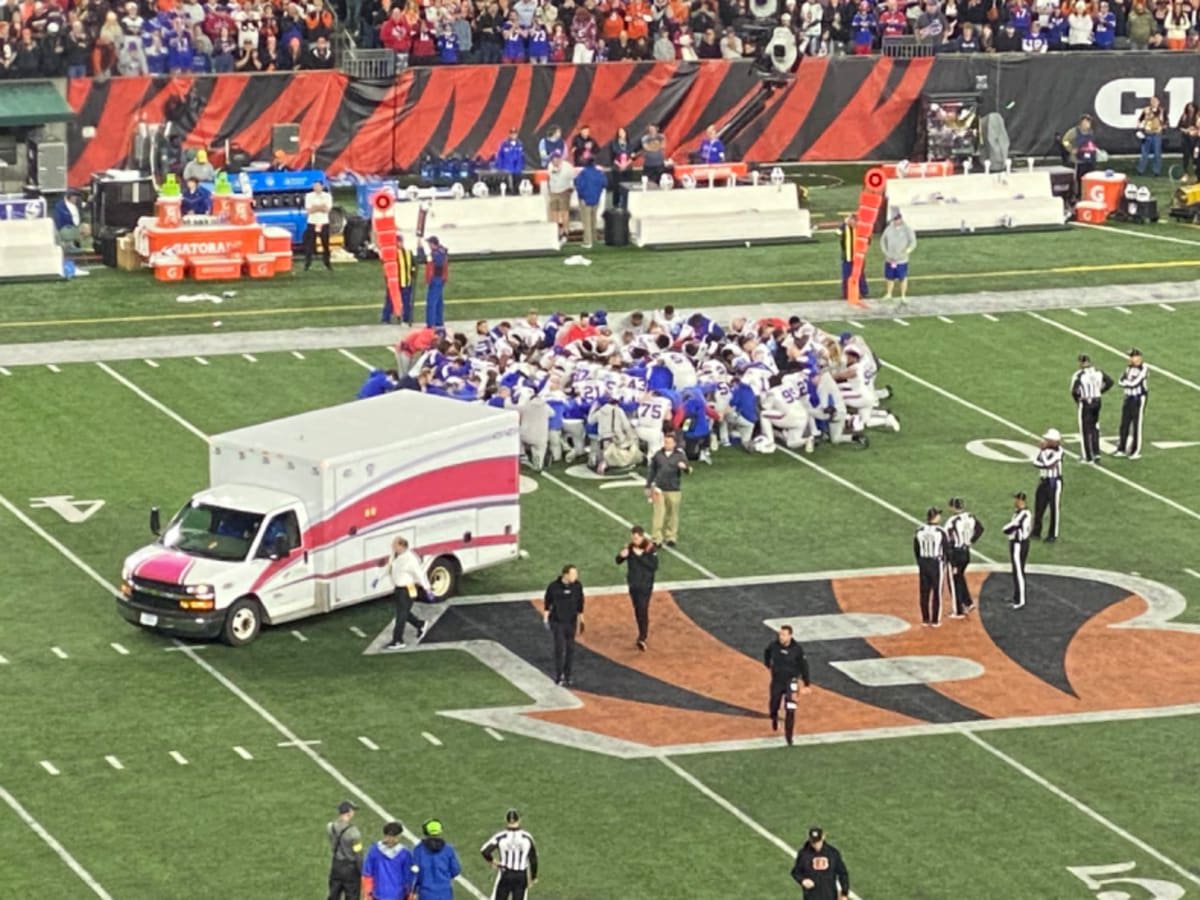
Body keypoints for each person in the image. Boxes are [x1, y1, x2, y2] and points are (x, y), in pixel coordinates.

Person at [373, 536, 430, 650]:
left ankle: (398, 640)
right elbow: (388, 567)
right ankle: (421, 624)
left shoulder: (410, 559)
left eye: (395, 545)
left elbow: (419, 575)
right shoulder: (395, 555)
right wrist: (378, 578)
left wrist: (427, 588)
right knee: (403, 612)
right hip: (398, 589)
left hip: (407, 589)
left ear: (402, 546)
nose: (392, 547)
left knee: (401, 615)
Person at [763, 624, 811, 746]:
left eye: (783, 635)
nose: (781, 637)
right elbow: (767, 653)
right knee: (774, 703)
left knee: (790, 708)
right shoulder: (774, 646)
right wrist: (768, 664)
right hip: (777, 681)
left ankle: (789, 737)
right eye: (780, 634)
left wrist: (807, 683)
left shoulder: (797, 649)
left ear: (790, 635)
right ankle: (774, 717)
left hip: (791, 682)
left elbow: (804, 666)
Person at [616, 525, 658, 651]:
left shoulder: (650, 548)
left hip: (645, 585)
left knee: (642, 608)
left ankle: (642, 637)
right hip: (633, 584)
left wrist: (640, 556)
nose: (634, 540)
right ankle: (641, 633)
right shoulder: (630, 547)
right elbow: (618, 560)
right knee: (637, 609)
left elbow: (653, 566)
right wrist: (621, 556)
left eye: (636, 538)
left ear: (642, 536)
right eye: (633, 538)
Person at [480, 809, 539, 900]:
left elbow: (485, 851)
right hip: (521, 875)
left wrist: (493, 861)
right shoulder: (527, 837)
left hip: (506, 874)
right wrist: (533, 877)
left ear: (506, 821)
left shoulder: (501, 836)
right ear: (519, 820)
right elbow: (533, 859)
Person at [645, 431, 690, 547]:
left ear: (674, 444)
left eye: (669, 442)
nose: (667, 444)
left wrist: (684, 467)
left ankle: (671, 537)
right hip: (659, 489)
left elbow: (689, 470)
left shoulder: (680, 456)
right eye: (665, 442)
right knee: (658, 514)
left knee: (673, 514)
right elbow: (652, 471)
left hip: (674, 489)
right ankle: (656, 538)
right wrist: (648, 486)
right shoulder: (658, 455)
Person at [543, 564, 584, 686]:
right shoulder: (553, 587)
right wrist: (545, 618)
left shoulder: (577, 586)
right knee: (560, 648)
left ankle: (568, 675)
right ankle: (559, 675)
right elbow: (547, 602)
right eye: (573, 574)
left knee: (570, 649)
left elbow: (580, 603)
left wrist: (582, 619)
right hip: (557, 621)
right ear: (565, 574)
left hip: (571, 621)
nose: (575, 576)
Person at [1070, 353, 1113, 464]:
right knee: (1095, 427)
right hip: (1097, 401)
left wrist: (1078, 401)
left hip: (1086, 402)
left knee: (1085, 429)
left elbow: (1074, 391)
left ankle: (1087, 456)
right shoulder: (1098, 372)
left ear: (1080, 363)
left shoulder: (1079, 375)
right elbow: (1109, 382)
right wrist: (1100, 391)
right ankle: (1097, 453)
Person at [944, 497, 983, 618]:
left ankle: (958, 610)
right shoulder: (971, 516)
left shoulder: (952, 521)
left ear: (952, 507)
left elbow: (946, 539)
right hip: (966, 552)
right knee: (960, 577)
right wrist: (971, 540)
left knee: (954, 580)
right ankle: (968, 602)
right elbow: (980, 529)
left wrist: (949, 557)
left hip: (956, 553)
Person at [791, 827, 850, 900]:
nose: (816, 845)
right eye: (813, 842)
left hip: (830, 896)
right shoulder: (804, 854)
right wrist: (802, 880)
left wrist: (844, 893)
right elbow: (796, 872)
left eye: (818, 841)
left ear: (823, 837)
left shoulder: (832, 853)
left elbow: (843, 873)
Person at [913, 506, 948, 627]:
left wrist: (920, 562)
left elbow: (916, 549)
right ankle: (935, 620)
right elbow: (946, 549)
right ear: (936, 517)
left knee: (924, 592)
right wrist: (945, 563)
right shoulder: (941, 531)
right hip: (936, 563)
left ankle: (925, 618)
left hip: (923, 562)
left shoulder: (919, 530)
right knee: (937, 592)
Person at [361, 822, 414, 900]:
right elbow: (409, 878)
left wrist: (368, 894)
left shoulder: (374, 850)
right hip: (398, 896)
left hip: (378, 895)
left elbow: (367, 874)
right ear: (399, 836)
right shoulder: (405, 854)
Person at [411, 819, 461, 900]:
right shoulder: (448, 849)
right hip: (445, 893)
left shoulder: (418, 850)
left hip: (426, 893)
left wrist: (413, 891)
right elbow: (456, 870)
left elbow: (415, 873)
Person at [1115, 347, 1148, 460]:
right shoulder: (1128, 368)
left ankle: (1136, 451)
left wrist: (1126, 383)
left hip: (1138, 399)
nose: (1129, 359)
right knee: (1124, 423)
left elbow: (1135, 383)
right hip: (1128, 397)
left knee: (1136, 425)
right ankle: (1122, 448)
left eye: (1131, 356)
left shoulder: (1144, 368)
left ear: (1138, 357)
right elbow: (1120, 381)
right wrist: (1126, 383)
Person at [327, 800, 364, 900]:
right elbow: (358, 855)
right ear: (349, 812)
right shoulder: (354, 833)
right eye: (353, 810)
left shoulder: (330, 827)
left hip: (336, 865)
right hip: (350, 870)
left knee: (333, 895)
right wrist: (362, 872)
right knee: (352, 896)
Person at [1032, 427, 1064, 543]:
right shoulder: (1045, 450)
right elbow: (1035, 462)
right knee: (1039, 506)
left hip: (1054, 481)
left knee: (1054, 509)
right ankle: (1036, 531)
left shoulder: (1059, 451)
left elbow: (1048, 463)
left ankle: (1052, 534)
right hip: (1044, 480)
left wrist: (1042, 453)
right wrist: (1042, 453)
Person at [1002, 491, 1032, 609]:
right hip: (1016, 543)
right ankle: (1016, 596)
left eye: (1016, 499)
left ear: (1021, 501)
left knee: (1018, 572)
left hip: (1019, 544)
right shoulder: (1018, 513)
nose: (1014, 501)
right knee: (1016, 571)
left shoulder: (1024, 514)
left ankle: (1020, 600)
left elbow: (1012, 526)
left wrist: (1004, 529)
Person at [880, 209, 916, 305]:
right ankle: (889, 294)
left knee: (902, 277)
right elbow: (883, 240)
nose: (895, 222)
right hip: (890, 258)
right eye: (894, 220)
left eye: (897, 220)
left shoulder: (907, 229)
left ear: (900, 219)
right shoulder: (889, 228)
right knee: (889, 277)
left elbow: (913, 242)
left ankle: (903, 296)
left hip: (901, 260)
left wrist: (907, 251)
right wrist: (885, 252)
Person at [380, 234, 415, 325]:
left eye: (400, 241)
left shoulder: (408, 252)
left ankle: (406, 318)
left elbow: (413, 266)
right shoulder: (392, 254)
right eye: (398, 242)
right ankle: (385, 318)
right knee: (390, 300)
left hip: (406, 281)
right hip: (394, 283)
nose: (399, 243)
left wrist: (412, 275)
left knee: (406, 301)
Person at [573, 158, 606, 250]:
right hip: (596, 199)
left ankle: (588, 241)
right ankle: (594, 238)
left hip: (585, 200)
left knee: (586, 221)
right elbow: (604, 183)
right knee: (593, 219)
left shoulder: (583, 173)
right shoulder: (599, 173)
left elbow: (579, 186)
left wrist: (582, 197)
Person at [546, 153, 576, 243]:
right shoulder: (550, 166)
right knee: (554, 213)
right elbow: (550, 176)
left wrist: (570, 188)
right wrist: (550, 190)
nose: (555, 161)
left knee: (564, 213)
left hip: (564, 192)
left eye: (557, 159)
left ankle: (565, 232)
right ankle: (556, 232)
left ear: (560, 159)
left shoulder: (568, 167)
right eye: (553, 160)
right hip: (554, 192)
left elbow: (573, 178)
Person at [304, 180, 333, 271]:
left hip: (324, 222)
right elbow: (309, 210)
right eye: (314, 186)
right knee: (309, 245)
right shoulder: (309, 196)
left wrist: (315, 207)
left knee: (325, 244)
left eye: (317, 186)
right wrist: (320, 207)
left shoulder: (327, 196)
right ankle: (307, 264)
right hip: (312, 222)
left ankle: (327, 263)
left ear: (322, 186)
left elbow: (327, 209)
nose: (316, 188)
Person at [839, 213, 867, 301]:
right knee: (846, 276)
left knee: (860, 275)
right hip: (847, 257)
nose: (853, 223)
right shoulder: (845, 228)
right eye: (851, 220)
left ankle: (863, 292)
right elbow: (837, 233)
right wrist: (843, 224)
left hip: (858, 257)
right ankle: (846, 293)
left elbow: (868, 239)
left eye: (854, 221)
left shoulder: (860, 229)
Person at [1136, 96, 1165, 178]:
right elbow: (1140, 119)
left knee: (1157, 153)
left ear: (1158, 102)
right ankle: (1140, 170)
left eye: (1155, 101)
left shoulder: (1161, 111)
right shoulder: (1146, 110)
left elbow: (1165, 122)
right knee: (1144, 153)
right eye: (1152, 101)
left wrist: (1161, 127)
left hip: (1156, 134)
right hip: (1147, 133)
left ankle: (1156, 171)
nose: (1154, 103)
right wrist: (1139, 128)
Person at [424, 236, 449, 327]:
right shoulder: (441, 252)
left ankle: (431, 323)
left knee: (431, 302)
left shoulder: (437, 253)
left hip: (436, 279)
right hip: (439, 279)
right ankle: (439, 321)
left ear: (432, 244)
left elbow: (437, 263)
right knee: (438, 301)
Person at [1177, 102, 1200, 181]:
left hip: (1196, 140)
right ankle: (1185, 173)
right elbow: (1179, 127)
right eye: (1189, 108)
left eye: (1192, 108)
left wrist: (1194, 131)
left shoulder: (1198, 116)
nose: (1190, 110)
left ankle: (1196, 174)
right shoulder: (1184, 116)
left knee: (1196, 157)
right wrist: (1185, 130)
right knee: (1186, 157)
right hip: (1186, 140)